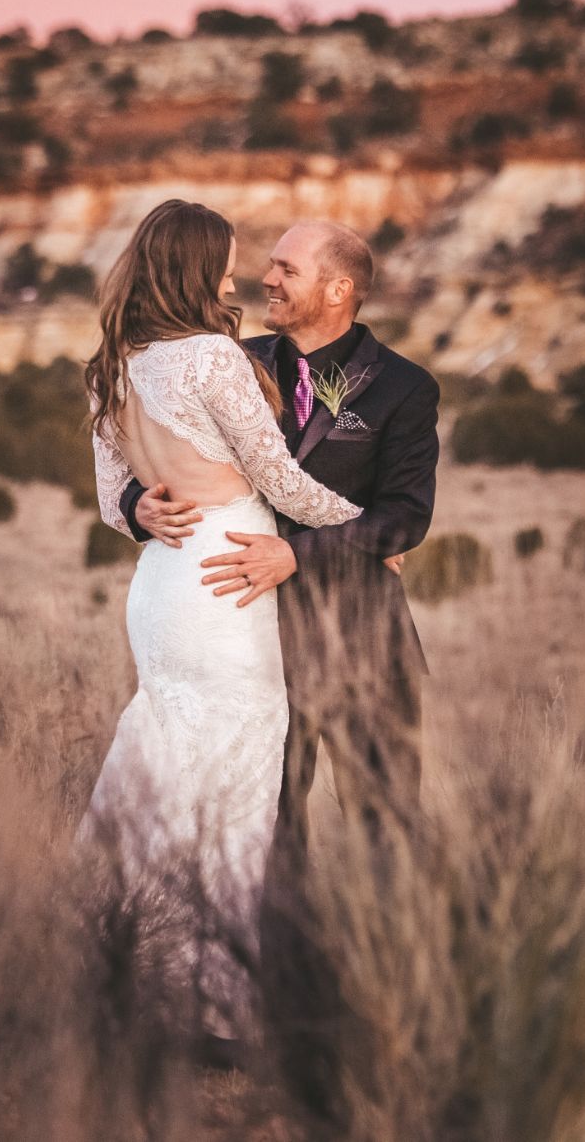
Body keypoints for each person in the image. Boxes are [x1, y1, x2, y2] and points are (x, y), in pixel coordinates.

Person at [78, 199, 360, 1047]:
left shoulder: (113, 365)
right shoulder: (211, 358)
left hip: (165, 583)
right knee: (235, 786)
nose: (238, 275)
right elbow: (280, 480)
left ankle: (120, 974)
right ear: (195, 267)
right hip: (227, 586)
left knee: (162, 762)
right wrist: (368, 529)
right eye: (228, 260)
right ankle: (214, 1011)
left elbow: (108, 503)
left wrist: (139, 505)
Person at [120, 219, 440, 859]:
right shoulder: (232, 362)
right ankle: (279, 957)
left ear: (337, 290)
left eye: (287, 269)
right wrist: (137, 507)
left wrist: (299, 551)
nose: (265, 278)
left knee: (388, 830)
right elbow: (155, 459)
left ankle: (396, 957)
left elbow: (405, 516)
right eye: (270, 265)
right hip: (249, 638)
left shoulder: (404, 388)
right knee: (267, 829)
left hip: (361, 636)